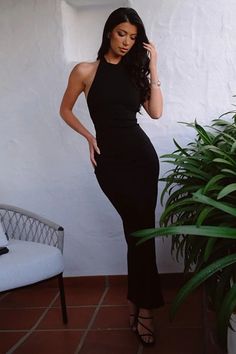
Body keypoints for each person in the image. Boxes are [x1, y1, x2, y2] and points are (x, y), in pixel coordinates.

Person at [60, 7, 164, 346]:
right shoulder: (86, 71)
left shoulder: (137, 72)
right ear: (109, 32)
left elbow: (156, 112)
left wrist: (153, 67)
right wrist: (89, 136)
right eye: (122, 34)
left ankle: (141, 309)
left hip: (142, 159)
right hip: (110, 162)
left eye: (133, 37)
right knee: (138, 232)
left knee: (140, 233)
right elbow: (65, 109)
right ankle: (142, 306)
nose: (126, 42)